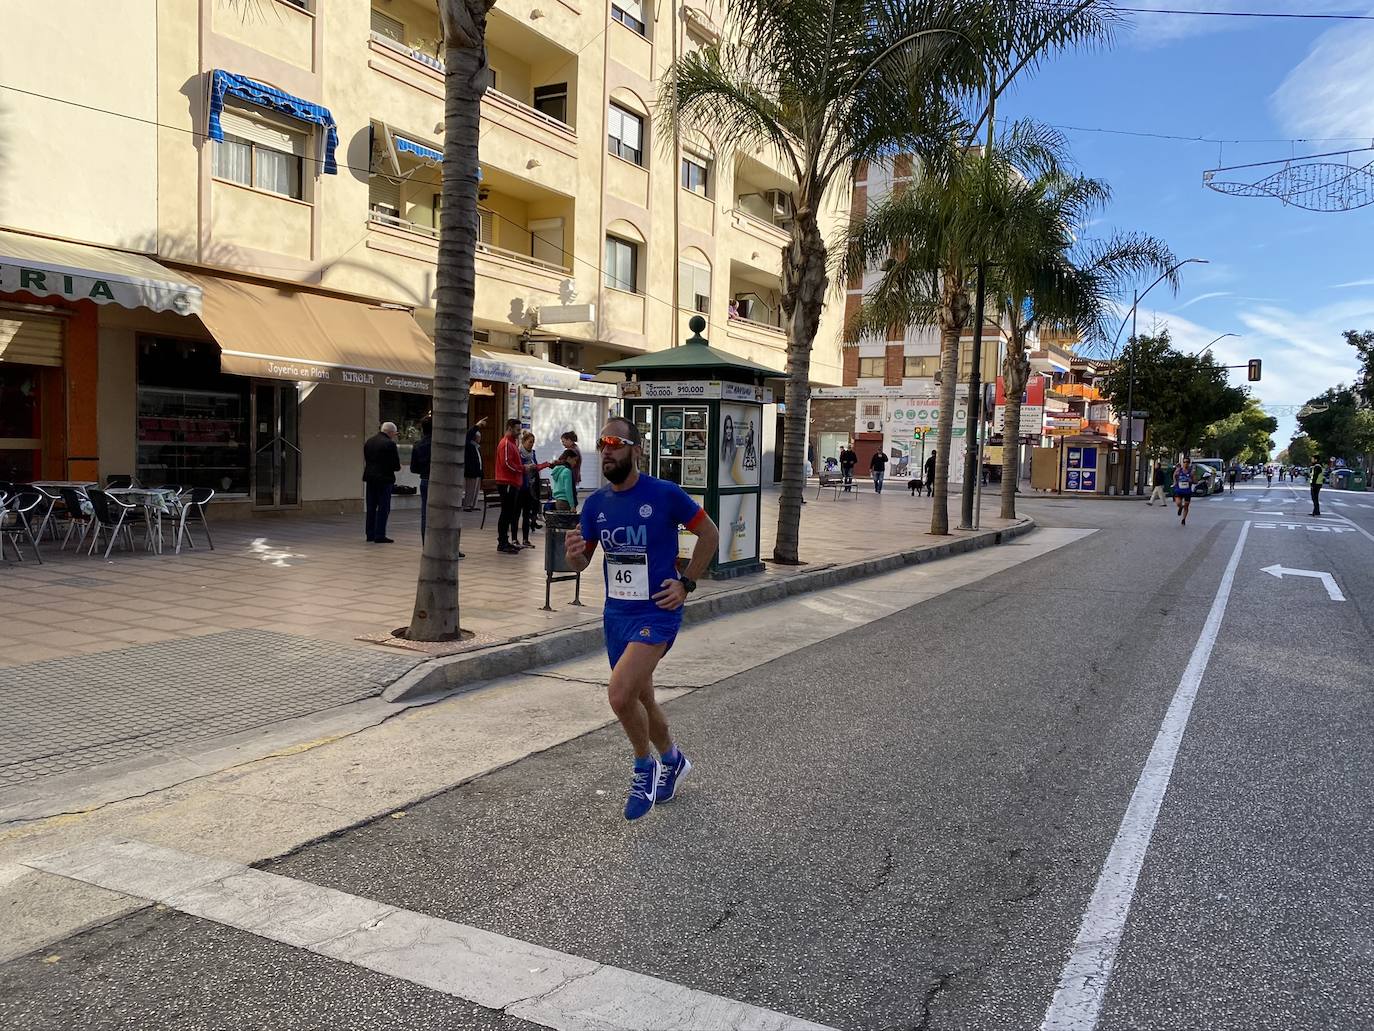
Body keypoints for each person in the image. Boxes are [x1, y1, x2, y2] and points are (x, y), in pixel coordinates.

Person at [564, 418, 720, 821]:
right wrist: (574, 555)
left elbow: (710, 535)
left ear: (637, 450)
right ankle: (673, 760)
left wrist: (686, 583)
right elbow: (583, 561)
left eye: (615, 442)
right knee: (641, 697)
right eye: (601, 443)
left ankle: (643, 766)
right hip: (616, 613)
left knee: (619, 696)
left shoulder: (664, 494)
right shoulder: (596, 504)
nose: (606, 450)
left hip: (657, 610)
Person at [362, 421, 401, 543]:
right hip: (384, 479)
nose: (394, 436)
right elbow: (395, 465)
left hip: (370, 478)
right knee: (384, 507)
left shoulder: (369, 441)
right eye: (394, 433)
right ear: (390, 432)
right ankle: (380, 534)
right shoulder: (389, 444)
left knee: (371, 506)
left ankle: (370, 533)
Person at [494, 419, 526, 554]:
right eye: (517, 430)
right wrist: (522, 469)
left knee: (509, 513)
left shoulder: (513, 443)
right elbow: (507, 463)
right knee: (506, 513)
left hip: (512, 483)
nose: (519, 433)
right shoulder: (506, 443)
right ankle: (502, 542)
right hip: (506, 482)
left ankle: (505, 541)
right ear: (510, 428)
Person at [518, 431, 548, 548]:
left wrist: (544, 465)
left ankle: (526, 539)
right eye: (530, 442)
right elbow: (517, 468)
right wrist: (527, 468)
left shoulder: (533, 454)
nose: (531, 444)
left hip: (531, 487)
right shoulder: (519, 453)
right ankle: (515, 539)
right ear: (524, 442)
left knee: (527, 513)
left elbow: (536, 467)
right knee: (516, 514)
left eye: (533, 442)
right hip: (521, 486)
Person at [410, 416, 432, 542]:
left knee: (425, 514)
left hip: (424, 480)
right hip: (438, 482)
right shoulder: (439, 444)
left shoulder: (418, 445)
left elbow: (414, 468)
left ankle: (426, 542)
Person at [463, 421, 485, 511]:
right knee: (470, 490)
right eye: (478, 437)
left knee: (476, 490)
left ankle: (473, 505)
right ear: (475, 438)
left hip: (477, 471)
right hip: (471, 472)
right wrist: (476, 426)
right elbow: (467, 436)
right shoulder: (469, 445)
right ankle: (467, 505)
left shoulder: (477, 447)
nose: (480, 439)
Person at [560, 431, 582, 504]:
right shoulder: (576, 448)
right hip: (574, 475)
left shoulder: (571, 451)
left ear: (569, 440)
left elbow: (561, 460)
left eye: (563, 441)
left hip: (571, 475)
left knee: (570, 493)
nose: (562, 444)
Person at [1173, 456, 1195, 526]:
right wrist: (1174, 482)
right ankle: (1180, 507)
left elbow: (1196, 481)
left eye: (1187, 462)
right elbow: (1174, 475)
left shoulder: (1191, 472)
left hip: (1187, 491)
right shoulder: (1179, 470)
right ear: (1182, 463)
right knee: (1178, 503)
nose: (1186, 463)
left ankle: (1183, 519)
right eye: (1184, 462)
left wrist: (1191, 480)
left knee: (1186, 505)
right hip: (1178, 490)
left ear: (1189, 463)